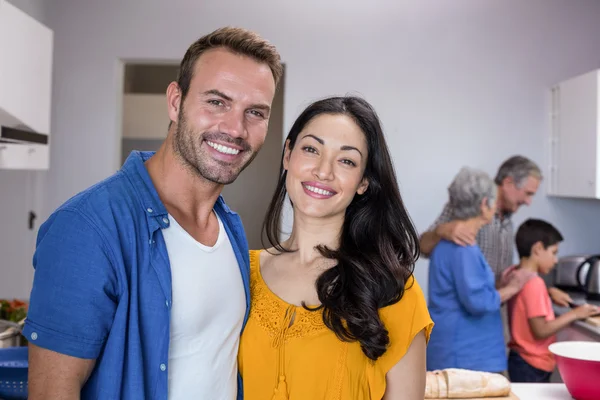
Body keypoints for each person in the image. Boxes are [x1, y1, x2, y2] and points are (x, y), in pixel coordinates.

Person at [23, 27, 282, 400]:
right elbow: (52, 392)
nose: (235, 128)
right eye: (217, 102)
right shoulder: (87, 228)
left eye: (255, 112)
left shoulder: (230, 227)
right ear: (176, 102)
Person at [237, 96, 433, 400]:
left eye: (347, 161)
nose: (323, 171)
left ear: (363, 181)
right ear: (288, 155)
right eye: (311, 149)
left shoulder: (392, 291)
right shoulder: (240, 273)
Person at [419, 156, 572, 307]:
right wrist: (441, 230)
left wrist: (544, 290)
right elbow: (422, 248)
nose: (528, 202)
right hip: (469, 315)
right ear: (508, 183)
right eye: (528, 193)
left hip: (493, 310)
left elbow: (509, 277)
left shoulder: (508, 222)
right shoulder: (467, 211)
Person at [426, 167, 532, 373]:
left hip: (456, 352)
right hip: (466, 357)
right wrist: (513, 287)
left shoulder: (450, 243)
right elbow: (478, 302)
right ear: (485, 204)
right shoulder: (463, 248)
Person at [504, 219, 600, 383]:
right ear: (538, 249)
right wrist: (576, 314)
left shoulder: (513, 273)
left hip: (519, 359)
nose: (556, 260)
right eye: (554, 252)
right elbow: (540, 330)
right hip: (532, 364)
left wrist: (548, 292)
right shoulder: (535, 283)